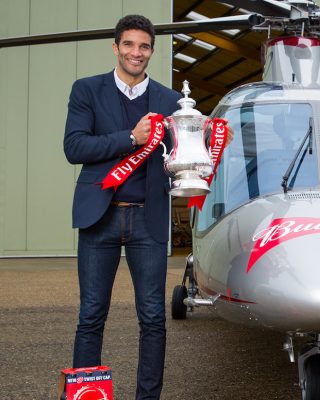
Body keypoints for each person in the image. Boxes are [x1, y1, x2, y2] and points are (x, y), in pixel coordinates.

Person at [63, 14, 181, 399]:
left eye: (144, 46)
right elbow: (75, 147)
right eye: (129, 44)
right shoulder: (87, 90)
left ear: (152, 51)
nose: (136, 52)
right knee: (91, 315)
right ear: (116, 47)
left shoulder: (171, 101)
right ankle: (85, 395)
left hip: (148, 220)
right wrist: (132, 137)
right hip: (101, 216)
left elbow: (181, 156)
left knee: (153, 319)